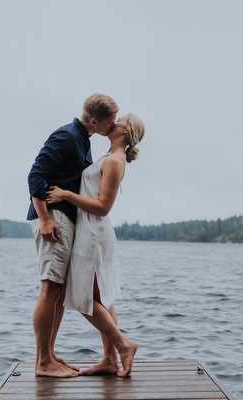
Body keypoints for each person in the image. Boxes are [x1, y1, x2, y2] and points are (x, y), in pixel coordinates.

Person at [46, 113, 145, 378]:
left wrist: (66, 194)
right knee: (101, 298)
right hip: (88, 231)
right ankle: (109, 360)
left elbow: (103, 207)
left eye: (120, 120)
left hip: (93, 233)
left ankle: (124, 345)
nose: (114, 121)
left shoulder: (115, 160)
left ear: (126, 131)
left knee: (82, 299)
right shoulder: (106, 157)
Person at [27, 94, 118, 378]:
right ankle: (42, 362)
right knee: (50, 288)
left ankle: (50, 354)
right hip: (53, 219)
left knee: (60, 292)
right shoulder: (66, 136)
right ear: (94, 121)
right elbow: (35, 175)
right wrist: (44, 219)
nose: (112, 125)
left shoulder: (84, 140)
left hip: (65, 219)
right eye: (109, 122)